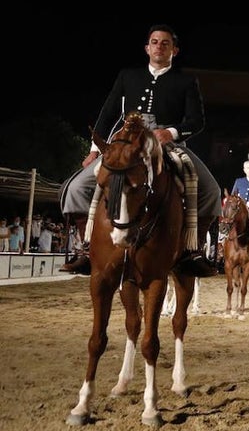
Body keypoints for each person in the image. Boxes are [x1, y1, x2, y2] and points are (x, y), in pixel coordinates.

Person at [60, 24, 219, 277]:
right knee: (77, 187)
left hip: (168, 143)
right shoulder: (128, 76)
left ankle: (192, 251)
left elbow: (196, 121)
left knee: (210, 190)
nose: (159, 46)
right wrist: (93, 149)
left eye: (165, 43)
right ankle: (86, 249)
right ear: (147, 48)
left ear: (174, 51)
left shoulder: (187, 81)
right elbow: (108, 113)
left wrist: (171, 133)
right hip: (125, 142)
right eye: (154, 42)